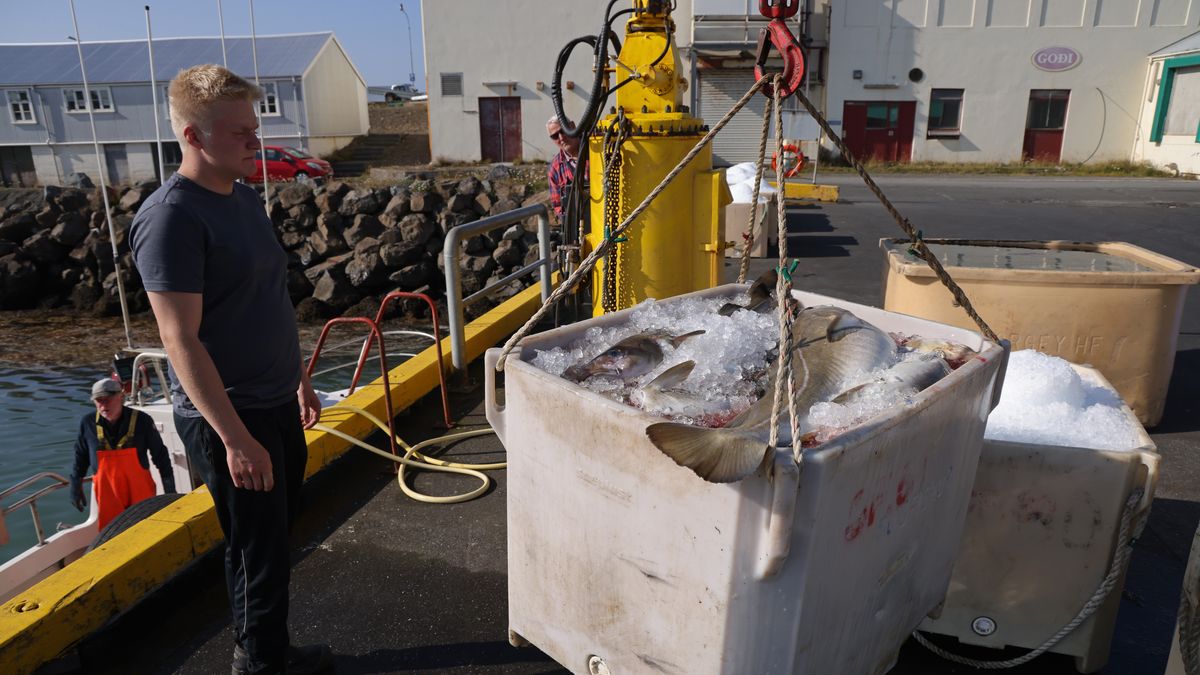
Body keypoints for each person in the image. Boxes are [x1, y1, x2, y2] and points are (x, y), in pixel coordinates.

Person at [129, 64, 330, 675]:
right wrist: (235, 439)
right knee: (254, 548)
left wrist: (300, 377)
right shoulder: (172, 219)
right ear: (193, 136)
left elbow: (268, 298)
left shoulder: (242, 197)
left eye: (255, 127)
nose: (255, 141)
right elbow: (179, 339)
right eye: (240, 132)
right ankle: (259, 662)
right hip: (231, 414)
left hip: (274, 399)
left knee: (275, 537)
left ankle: (270, 648)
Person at [68, 378, 175, 529]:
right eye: (99, 400)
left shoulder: (142, 420)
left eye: (108, 399)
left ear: (121, 397)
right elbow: (81, 457)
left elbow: (160, 455)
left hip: (140, 492)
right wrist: (75, 484)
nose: (103, 405)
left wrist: (170, 488)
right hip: (108, 496)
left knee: (148, 528)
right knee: (112, 534)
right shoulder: (87, 423)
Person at [546, 115, 582, 223]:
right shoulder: (555, 169)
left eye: (563, 131)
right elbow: (558, 206)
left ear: (572, 126)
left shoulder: (597, 150)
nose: (561, 138)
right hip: (578, 229)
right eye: (555, 136)